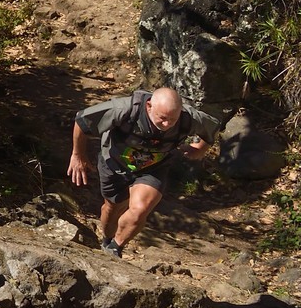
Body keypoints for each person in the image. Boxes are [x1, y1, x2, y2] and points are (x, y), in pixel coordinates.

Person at [68, 86, 221, 257]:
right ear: (149, 106)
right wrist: (78, 155)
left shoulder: (188, 118)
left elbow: (212, 128)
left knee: (140, 208)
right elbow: (82, 121)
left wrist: (200, 149)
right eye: (162, 118)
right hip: (114, 163)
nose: (167, 124)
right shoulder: (123, 110)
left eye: (173, 119)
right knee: (112, 208)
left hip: (154, 168)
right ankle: (106, 239)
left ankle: (114, 248)